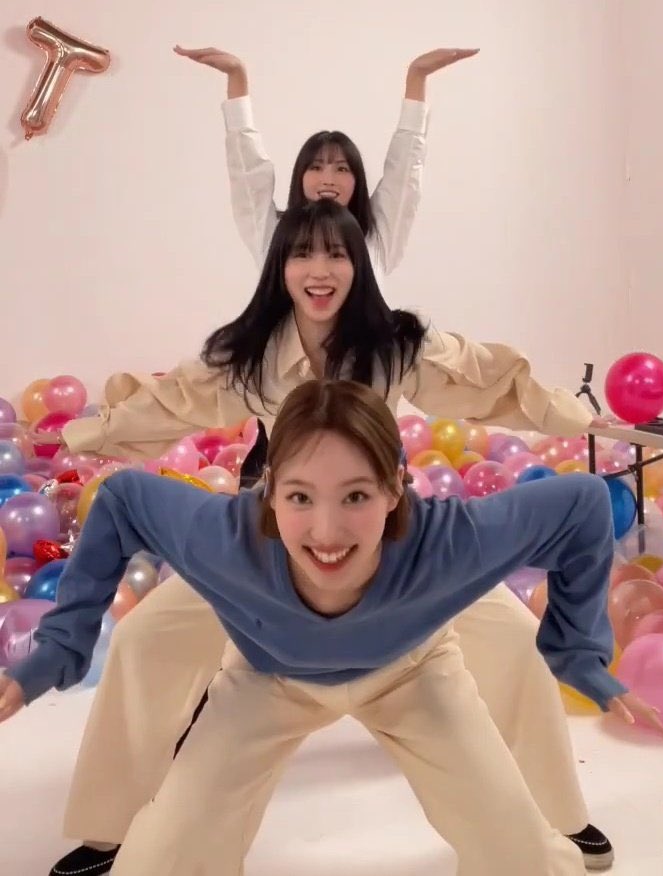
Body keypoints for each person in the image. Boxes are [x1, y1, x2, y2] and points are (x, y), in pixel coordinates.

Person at [40, 200, 614, 875]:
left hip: (389, 551)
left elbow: (488, 382)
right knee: (143, 637)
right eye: (302, 254)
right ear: (280, 268)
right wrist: (83, 433)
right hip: (276, 552)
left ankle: (557, 820)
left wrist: (574, 415)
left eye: (336, 254)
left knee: (516, 636)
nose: (320, 270)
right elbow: (173, 401)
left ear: (357, 264)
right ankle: (108, 832)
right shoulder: (252, 352)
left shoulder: (396, 343)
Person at [0, 379, 663, 876]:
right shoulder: (227, 536)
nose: (326, 532)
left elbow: (584, 507)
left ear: (395, 487)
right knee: (165, 859)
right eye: (300, 496)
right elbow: (121, 502)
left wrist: (578, 655)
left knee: (519, 855)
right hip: (269, 677)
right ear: (270, 491)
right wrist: (56, 651)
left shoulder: (447, 541)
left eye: (355, 495)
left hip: (412, 671)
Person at [173, 44, 478, 276]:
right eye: (316, 167)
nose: (328, 179)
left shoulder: (377, 239)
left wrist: (417, 76)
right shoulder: (274, 234)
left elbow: (405, 170)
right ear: (300, 177)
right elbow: (248, 172)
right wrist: (237, 76)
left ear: (357, 180)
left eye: (342, 168)